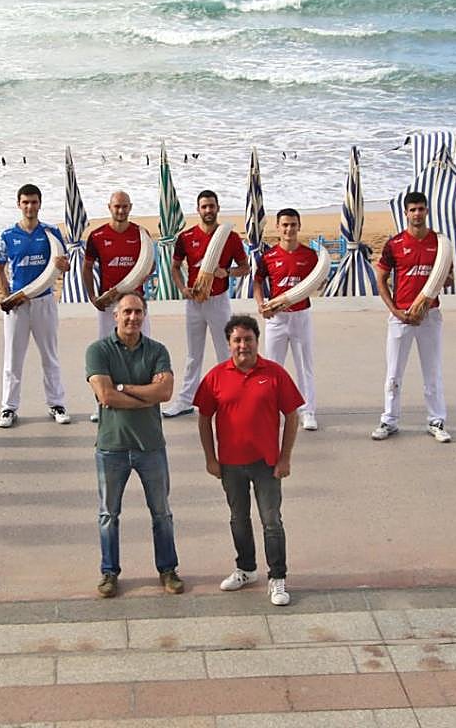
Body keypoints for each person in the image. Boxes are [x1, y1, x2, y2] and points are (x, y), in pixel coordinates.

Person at [196, 315, 302, 607]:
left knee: (271, 521)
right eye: (237, 340)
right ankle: (246, 569)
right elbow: (204, 419)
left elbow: (292, 416)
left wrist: (285, 458)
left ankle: (277, 578)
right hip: (230, 464)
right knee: (238, 519)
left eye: (248, 339)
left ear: (257, 341)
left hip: (267, 463)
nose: (243, 345)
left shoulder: (275, 373)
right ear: (228, 344)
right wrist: (210, 459)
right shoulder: (216, 376)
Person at [85, 292, 183, 598]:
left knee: (162, 513)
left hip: (151, 445)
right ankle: (109, 572)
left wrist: (124, 387)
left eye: (138, 312)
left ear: (144, 315)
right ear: (115, 316)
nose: (132, 317)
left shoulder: (157, 350)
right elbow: (105, 397)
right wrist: (144, 394)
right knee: (108, 515)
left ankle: (168, 570)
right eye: (126, 312)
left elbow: (165, 393)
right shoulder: (98, 350)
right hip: (111, 446)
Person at [370, 191, 452, 444]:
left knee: (432, 371)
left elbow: (447, 278)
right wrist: (394, 310)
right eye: (412, 209)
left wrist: (428, 296)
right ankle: (389, 420)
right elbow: (381, 278)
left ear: (427, 211)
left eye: (421, 209)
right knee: (394, 373)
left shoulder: (440, 244)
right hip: (401, 317)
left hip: (430, 316)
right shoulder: (394, 244)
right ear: (405, 213)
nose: (417, 214)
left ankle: (436, 421)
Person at [162, 189, 248, 418]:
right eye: (204, 206)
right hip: (194, 303)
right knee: (193, 354)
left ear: (218, 208)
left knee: (225, 351)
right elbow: (174, 267)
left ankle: (230, 397)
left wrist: (226, 271)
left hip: (218, 301)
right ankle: (185, 400)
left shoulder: (230, 237)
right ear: (198, 209)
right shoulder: (186, 237)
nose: (208, 210)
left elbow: (245, 267)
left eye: (212, 206)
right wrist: (182, 289)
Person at [0, 183, 70, 428]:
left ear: (40, 203)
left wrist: (63, 265)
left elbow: (64, 263)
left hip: (44, 301)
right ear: (19, 204)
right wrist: (7, 296)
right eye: (25, 202)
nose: (29, 206)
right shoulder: (7, 235)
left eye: (34, 202)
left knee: (50, 355)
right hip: (17, 304)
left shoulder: (51, 232)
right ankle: (8, 408)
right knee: (13, 358)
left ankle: (56, 404)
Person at [83, 190, 153, 421]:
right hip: (109, 306)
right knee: (107, 355)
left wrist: (142, 274)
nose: (121, 210)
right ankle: (102, 403)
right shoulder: (97, 235)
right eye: (117, 206)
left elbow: (150, 267)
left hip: (137, 304)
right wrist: (93, 297)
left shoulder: (141, 234)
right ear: (109, 207)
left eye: (124, 206)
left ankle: (143, 401)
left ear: (130, 207)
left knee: (142, 353)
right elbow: (87, 267)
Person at [254, 208, 319, 431]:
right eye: (285, 225)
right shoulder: (268, 257)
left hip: (301, 317)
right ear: (278, 227)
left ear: (299, 226)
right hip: (276, 319)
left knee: (305, 366)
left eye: (293, 224)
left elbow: (317, 282)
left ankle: (308, 411)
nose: (289, 229)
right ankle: (270, 410)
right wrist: (262, 305)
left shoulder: (310, 256)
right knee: (272, 366)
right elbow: (258, 282)